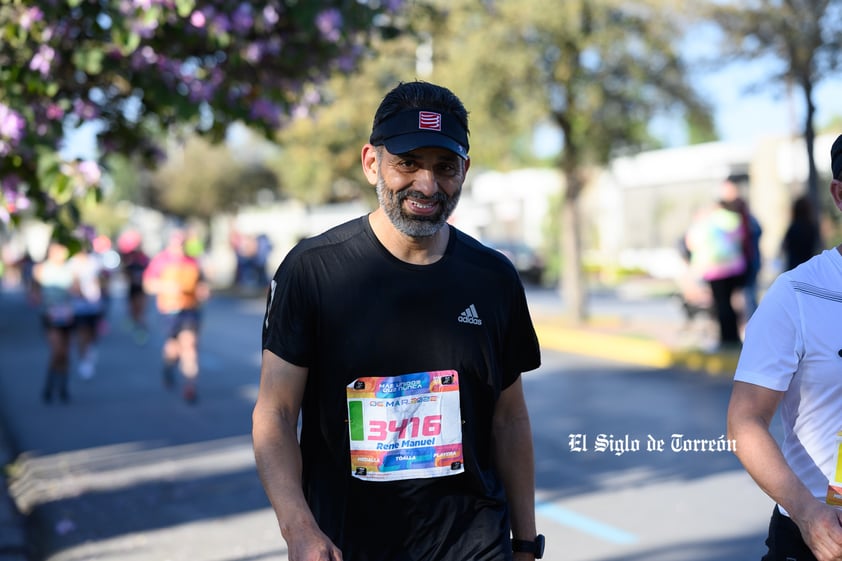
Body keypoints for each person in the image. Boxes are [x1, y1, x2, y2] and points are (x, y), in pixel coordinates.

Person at [252, 81, 544, 561]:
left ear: (464, 171)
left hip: (473, 543)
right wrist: (299, 530)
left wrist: (527, 543)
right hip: (347, 544)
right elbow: (274, 414)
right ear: (372, 163)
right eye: (407, 163)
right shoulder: (313, 271)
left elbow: (509, 419)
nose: (427, 186)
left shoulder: (494, 279)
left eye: (444, 167)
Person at [727, 133, 842, 561]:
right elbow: (745, 422)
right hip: (822, 536)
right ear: (839, 194)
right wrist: (808, 513)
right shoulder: (797, 295)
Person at [143, 229, 209, 403]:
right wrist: (165, 286)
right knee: (173, 349)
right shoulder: (160, 260)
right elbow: (148, 284)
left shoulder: (193, 262)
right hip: (169, 311)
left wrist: (203, 291)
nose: (179, 247)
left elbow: (202, 285)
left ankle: (190, 386)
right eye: (176, 243)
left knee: (190, 346)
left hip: (190, 310)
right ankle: (168, 367)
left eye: (182, 244)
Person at [684, 177, 750, 348]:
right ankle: (734, 336)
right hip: (735, 267)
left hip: (715, 269)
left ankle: (725, 338)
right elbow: (742, 239)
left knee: (722, 305)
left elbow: (692, 242)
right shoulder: (734, 219)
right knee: (731, 303)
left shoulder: (706, 222)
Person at [32, 242, 76, 403]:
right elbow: (34, 292)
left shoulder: (69, 269)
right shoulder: (41, 269)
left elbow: (76, 291)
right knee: (57, 351)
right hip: (50, 315)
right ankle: (49, 385)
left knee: (65, 353)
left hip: (67, 314)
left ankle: (63, 387)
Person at [118, 229, 151, 343]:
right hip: (132, 288)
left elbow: (150, 272)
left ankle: (141, 330)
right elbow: (124, 273)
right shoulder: (129, 260)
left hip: (142, 289)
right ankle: (136, 324)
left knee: (141, 310)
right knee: (134, 310)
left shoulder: (144, 259)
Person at [782, 194, 820, 272]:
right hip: (808, 266)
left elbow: (784, 246)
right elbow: (818, 246)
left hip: (793, 266)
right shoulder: (812, 227)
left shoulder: (793, 227)